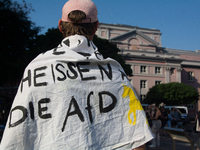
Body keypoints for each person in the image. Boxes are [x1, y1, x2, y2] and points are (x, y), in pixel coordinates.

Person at [0, 0, 153, 149]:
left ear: (60, 25)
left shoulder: (37, 67)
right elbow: (135, 136)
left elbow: (18, 134)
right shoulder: (113, 70)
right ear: (95, 27)